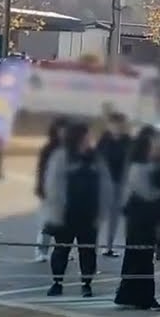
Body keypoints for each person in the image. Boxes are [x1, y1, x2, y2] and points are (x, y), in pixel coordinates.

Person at [45, 122, 111, 298]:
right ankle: (57, 282)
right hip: (66, 214)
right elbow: (53, 185)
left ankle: (86, 283)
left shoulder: (96, 158)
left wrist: (102, 211)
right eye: (87, 136)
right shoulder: (62, 156)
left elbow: (105, 184)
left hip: (89, 213)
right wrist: (56, 209)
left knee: (88, 250)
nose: (90, 140)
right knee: (61, 249)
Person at [114, 127, 160, 311]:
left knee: (139, 257)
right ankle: (144, 297)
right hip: (139, 220)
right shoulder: (138, 168)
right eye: (152, 145)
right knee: (141, 258)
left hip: (144, 219)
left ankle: (132, 296)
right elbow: (147, 193)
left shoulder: (150, 166)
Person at [95, 112, 132, 257]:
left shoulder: (128, 141)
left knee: (114, 217)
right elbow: (97, 159)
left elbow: (130, 161)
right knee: (99, 216)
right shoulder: (104, 140)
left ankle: (108, 246)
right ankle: (92, 245)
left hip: (119, 182)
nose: (118, 127)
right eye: (115, 124)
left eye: (120, 124)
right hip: (104, 183)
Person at [33, 118, 66, 263]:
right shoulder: (48, 148)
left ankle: (62, 249)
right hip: (49, 190)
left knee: (63, 223)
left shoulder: (71, 148)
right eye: (61, 129)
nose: (63, 133)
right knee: (47, 222)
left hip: (65, 192)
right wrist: (40, 188)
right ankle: (42, 250)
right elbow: (41, 170)